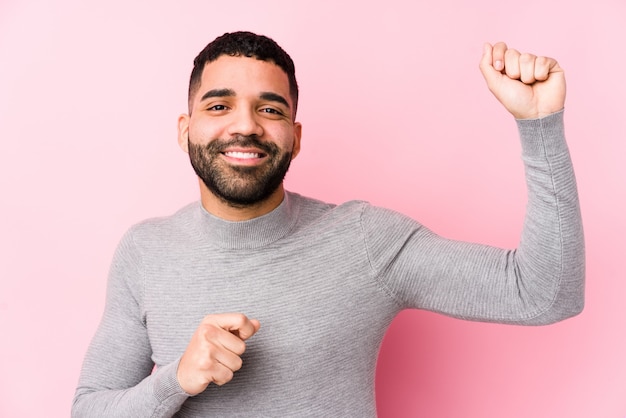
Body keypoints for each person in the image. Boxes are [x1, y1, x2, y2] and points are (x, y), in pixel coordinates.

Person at [72, 31, 585, 417]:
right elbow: (89, 409)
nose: (246, 124)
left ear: (295, 136)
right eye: (220, 105)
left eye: (269, 108)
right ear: (187, 131)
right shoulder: (145, 250)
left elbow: (544, 294)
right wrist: (175, 382)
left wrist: (539, 125)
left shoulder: (364, 241)